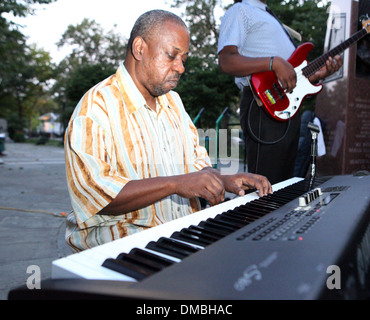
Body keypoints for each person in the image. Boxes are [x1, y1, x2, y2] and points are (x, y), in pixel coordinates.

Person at [64, 10, 272, 252]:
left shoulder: (173, 102)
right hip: (121, 251)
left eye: (183, 59)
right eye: (172, 55)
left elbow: (195, 166)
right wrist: (175, 184)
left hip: (180, 237)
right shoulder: (96, 108)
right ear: (140, 48)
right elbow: (97, 195)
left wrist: (224, 181)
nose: (180, 68)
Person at [217, 0, 343, 185]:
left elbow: (292, 75)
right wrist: (273, 62)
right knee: (264, 187)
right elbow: (226, 61)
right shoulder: (241, 10)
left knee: (282, 185)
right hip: (262, 106)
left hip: (287, 108)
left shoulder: (270, 17)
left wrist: (316, 75)